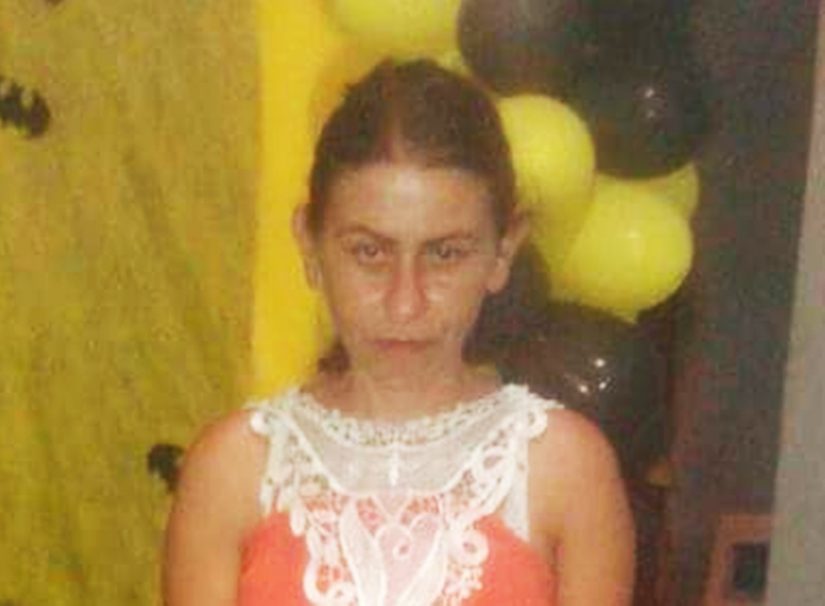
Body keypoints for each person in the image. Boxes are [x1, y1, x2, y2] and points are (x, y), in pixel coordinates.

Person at [163, 59, 635, 605]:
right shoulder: (233, 470)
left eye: (445, 254)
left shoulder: (565, 468)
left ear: (503, 250)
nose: (405, 302)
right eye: (369, 252)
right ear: (310, 244)